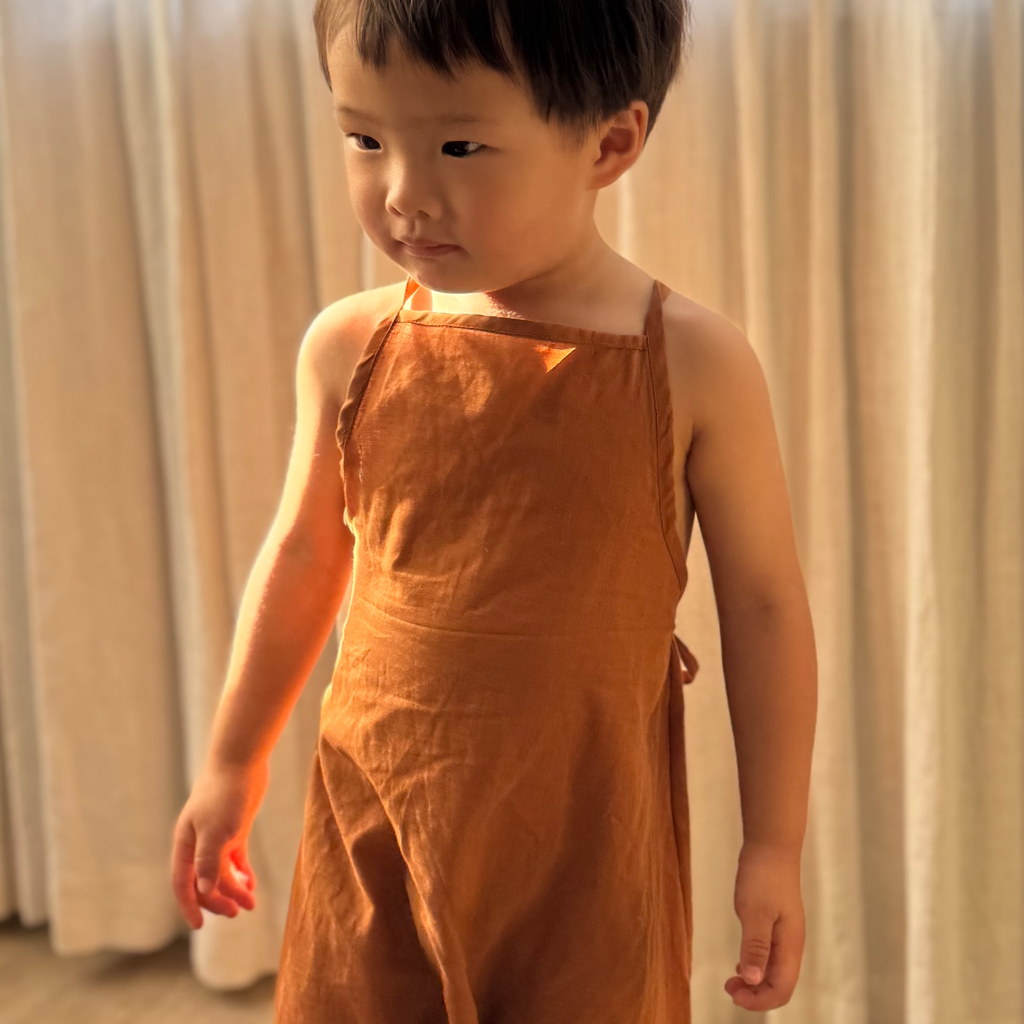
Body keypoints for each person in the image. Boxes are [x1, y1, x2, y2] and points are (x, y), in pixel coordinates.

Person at [170, 1, 818, 1021]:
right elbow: (301, 556)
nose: (402, 193)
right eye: (364, 139)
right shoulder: (349, 346)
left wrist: (773, 846)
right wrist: (230, 761)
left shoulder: (692, 362)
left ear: (608, 144)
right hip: (377, 818)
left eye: (459, 146)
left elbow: (766, 608)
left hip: (584, 852)